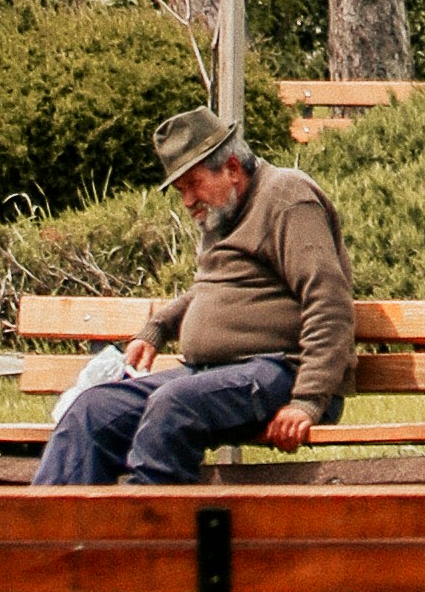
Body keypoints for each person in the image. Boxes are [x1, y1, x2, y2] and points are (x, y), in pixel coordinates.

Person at [30, 105, 355, 485]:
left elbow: (328, 303)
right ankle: (49, 523)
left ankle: (148, 520)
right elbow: (211, 289)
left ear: (232, 168)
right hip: (212, 375)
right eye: (180, 190)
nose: (187, 201)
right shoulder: (222, 211)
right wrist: (158, 328)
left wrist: (308, 401)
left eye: (193, 183)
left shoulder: (287, 198)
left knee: (174, 405)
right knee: (94, 409)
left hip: (282, 371)